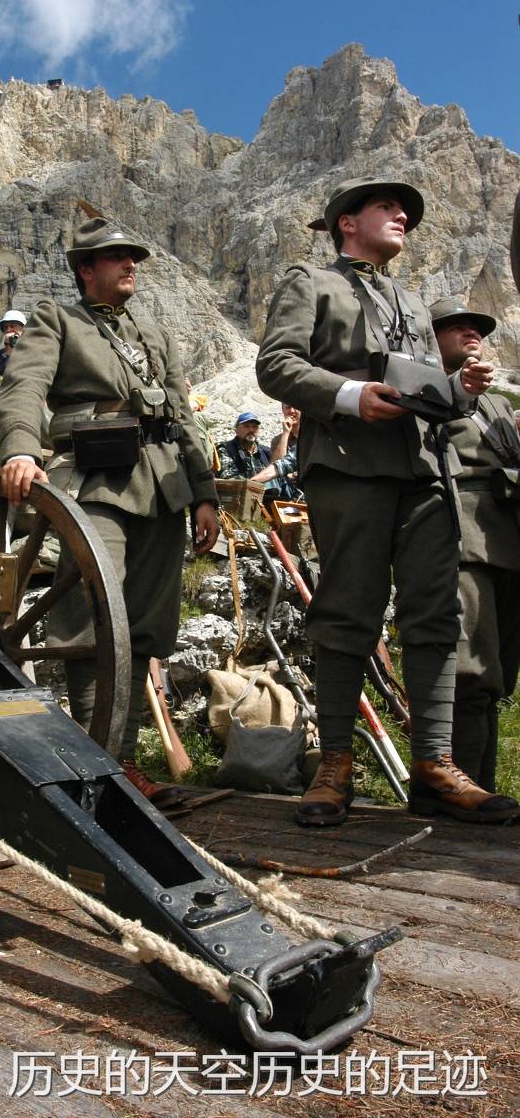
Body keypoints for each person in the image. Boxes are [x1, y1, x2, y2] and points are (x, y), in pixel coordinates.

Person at [257, 175, 517, 826]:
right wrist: (350, 396)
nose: (402, 214)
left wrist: (460, 391)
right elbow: (276, 365)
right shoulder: (310, 283)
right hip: (349, 465)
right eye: (386, 206)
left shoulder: (412, 303)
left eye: (405, 209)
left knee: (436, 617)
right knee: (348, 613)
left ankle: (435, 765)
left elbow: (424, 394)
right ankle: (335, 765)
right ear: (346, 222)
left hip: (425, 473)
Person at [0, 217, 218, 807]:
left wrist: (204, 494)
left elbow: (183, 417)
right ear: (86, 270)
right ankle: (97, 769)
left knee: (142, 627)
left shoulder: (155, 335)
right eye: (116, 257)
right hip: (95, 483)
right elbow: (23, 386)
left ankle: (122, 765)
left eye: (132, 256)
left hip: (163, 488)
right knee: (93, 618)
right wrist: (20, 448)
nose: (130, 265)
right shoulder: (57, 320)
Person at [430, 298, 520, 792]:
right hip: (465, 536)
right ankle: (460, 792)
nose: (473, 334)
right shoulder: (425, 388)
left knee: (500, 673)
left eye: (477, 328)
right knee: (470, 672)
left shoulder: (499, 402)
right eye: (458, 327)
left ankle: (484, 789)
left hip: (508, 539)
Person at [218, 412, 271, 479]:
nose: (251, 430)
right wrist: (255, 482)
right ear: (236, 430)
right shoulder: (226, 449)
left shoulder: (266, 451)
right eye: (246, 426)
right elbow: (227, 475)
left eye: (255, 427)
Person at [0, 310, 27, 380]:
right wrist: (7, 353)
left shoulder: (32, 349)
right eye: (5, 327)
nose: (8, 330)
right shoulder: (0, 355)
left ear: (23, 328)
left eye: (12, 326)